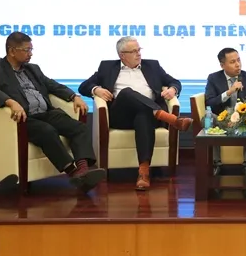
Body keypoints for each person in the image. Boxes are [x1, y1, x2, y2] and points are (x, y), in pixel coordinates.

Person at [0, 32, 105, 192]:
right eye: (26, 50)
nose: (30, 54)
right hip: (24, 118)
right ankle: (73, 173)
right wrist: (10, 102)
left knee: (78, 127)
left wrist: (74, 96)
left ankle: (83, 171)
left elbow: (51, 85)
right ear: (11, 51)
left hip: (46, 113)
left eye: (31, 49)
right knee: (47, 131)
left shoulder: (33, 68)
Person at [79, 36, 192, 191]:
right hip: (121, 116)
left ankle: (143, 172)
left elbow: (174, 82)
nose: (138, 54)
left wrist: (173, 89)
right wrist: (96, 89)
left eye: (139, 50)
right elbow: (84, 86)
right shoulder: (107, 67)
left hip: (147, 116)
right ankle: (167, 117)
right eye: (133, 51)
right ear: (122, 55)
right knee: (126, 92)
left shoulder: (152, 65)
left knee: (143, 116)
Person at [205, 48, 246, 176]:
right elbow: (210, 102)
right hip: (222, 120)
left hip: (244, 121)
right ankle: (217, 164)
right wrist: (229, 92)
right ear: (222, 65)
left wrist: (241, 117)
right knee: (207, 118)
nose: (237, 64)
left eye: (238, 60)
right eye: (232, 62)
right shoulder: (213, 78)